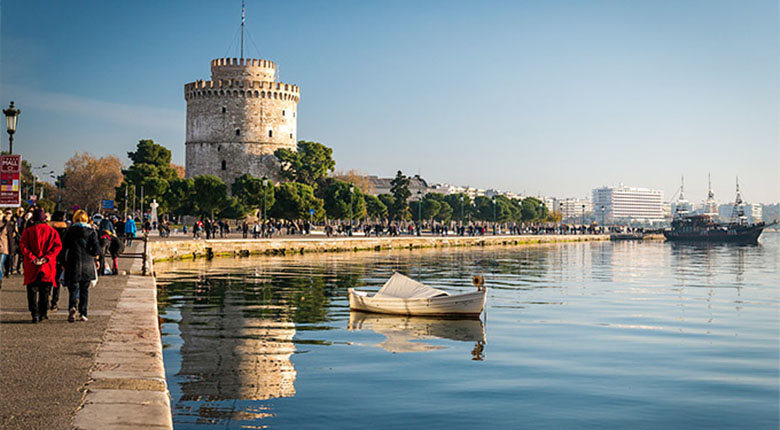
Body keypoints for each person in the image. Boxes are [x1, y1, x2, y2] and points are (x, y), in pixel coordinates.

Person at [20, 208, 62, 323]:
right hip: (47, 265)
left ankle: (34, 313)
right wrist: (46, 258)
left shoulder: (28, 231)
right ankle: (43, 312)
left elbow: (23, 246)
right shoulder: (52, 232)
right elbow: (57, 247)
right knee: (45, 290)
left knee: (32, 290)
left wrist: (32, 258)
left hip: (32, 265)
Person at [62, 210, 100, 322]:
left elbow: (63, 248)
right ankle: (83, 312)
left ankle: (72, 307)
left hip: (73, 262)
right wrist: (95, 257)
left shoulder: (69, 231)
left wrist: (63, 263)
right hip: (87, 263)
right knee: (84, 290)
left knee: (73, 288)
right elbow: (97, 249)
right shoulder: (91, 232)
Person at [48, 211, 69, 311]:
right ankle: (54, 302)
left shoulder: (48, 228)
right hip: (60, 258)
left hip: (49, 257)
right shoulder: (66, 230)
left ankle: (46, 298)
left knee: (48, 280)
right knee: (56, 282)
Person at [0, 209, 13, 289]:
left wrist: (12, 250)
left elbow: (10, 238)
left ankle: (0, 280)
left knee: (0, 264)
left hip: (3, 248)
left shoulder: (7, 225)